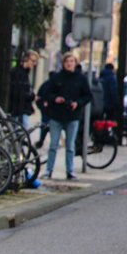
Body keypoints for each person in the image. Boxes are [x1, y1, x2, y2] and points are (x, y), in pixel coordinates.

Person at [37, 51, 91, 179]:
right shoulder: (57, 78)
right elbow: (46, 94)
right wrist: (55, 99)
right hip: (57, 115)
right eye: (67, 62)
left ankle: (70, 171)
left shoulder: (81, 78)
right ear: (63, 63)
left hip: (73, 116)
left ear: (75, 63)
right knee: (53, 145)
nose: (69, 64)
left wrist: (77, 103)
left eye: (72, 61)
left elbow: (88, 95)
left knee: (70, 146)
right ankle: (48, 170)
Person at [8, 51, 39, 127]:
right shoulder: (18, 72)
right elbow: (19, 91)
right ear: (26, 59)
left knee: (21, 129)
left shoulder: (25, 73)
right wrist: (32, 97)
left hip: (21, 108)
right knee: (21, 128)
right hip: (17, 108)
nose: (34, 64)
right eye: (33, 61)